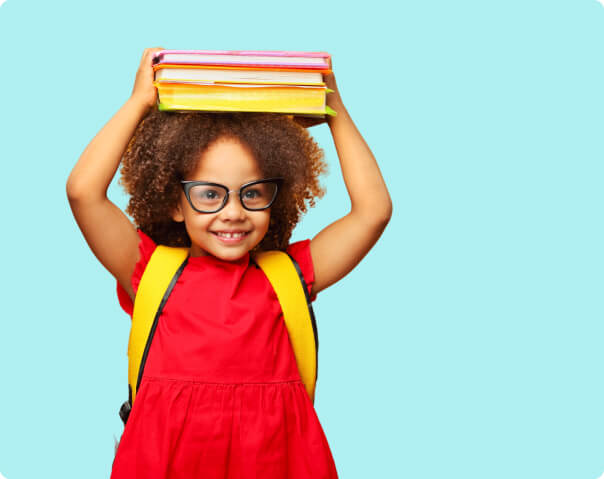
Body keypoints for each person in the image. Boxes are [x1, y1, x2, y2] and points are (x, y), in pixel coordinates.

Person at [66, 47, 392, 479]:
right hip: (169, 457)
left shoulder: (287, 275)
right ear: (175, 203)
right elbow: (82, 192)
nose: (233, 212)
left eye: (252, 193)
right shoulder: (151, 269)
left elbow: (374, 212)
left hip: (276, 457)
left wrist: (336, 112)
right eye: (209, 194)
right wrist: (138, 102)